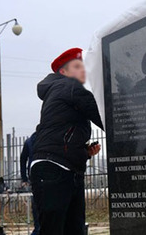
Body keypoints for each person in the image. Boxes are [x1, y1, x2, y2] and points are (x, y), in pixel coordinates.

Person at [31, 48, 103, 235]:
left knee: (70, 229)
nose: (83, 70)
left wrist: (85, 152)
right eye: (77, 66)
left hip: (63, 168)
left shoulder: (60, 91)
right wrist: (128, 129)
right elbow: (101, 115)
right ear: (63, 72)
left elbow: (62, 133)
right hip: (54, 168)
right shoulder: (69, 87)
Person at [20, 132, 39, 235]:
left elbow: (23, 159)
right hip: (40, 176)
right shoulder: (31, 142)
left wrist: (24, 178)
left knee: (36, 206)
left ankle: (37, 229)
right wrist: (24, 178)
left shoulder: (29, 141)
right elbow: (23, 159)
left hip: (34, 176)